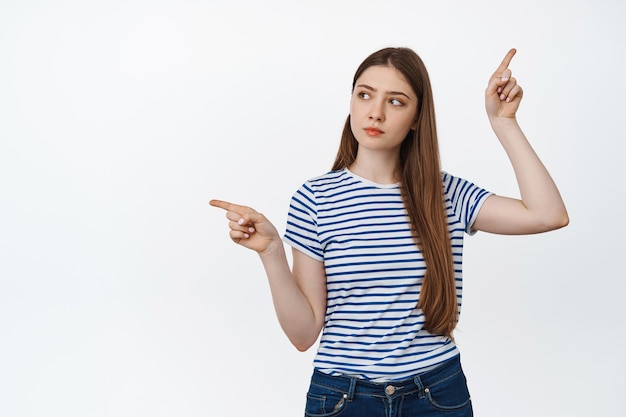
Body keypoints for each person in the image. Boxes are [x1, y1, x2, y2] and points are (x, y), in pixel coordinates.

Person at [210, 47, 568, 417]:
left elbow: (548, 215)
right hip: (343, 399)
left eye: (396, 101)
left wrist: (504, 123)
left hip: (436, 395)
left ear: (416, 118)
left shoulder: (446, 193)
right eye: (364, 95)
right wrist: (271, 252)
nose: (375, 112)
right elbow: (303, 336)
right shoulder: (314, 198)